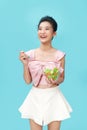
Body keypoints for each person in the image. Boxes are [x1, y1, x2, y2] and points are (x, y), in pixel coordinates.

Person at [19, 16, 72, 130]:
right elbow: (28, 81)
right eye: (40, 28)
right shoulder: (30, 54)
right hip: (35, 97)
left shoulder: (60, 55)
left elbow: (62, 78)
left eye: (47, 29)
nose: (42, 32)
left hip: (54, 97)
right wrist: (24, 64)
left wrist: (55, 79)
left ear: (54, 33)